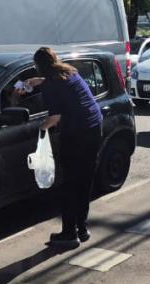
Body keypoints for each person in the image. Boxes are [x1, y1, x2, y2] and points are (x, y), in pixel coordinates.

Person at [21, 47, 103, 248]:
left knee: (70, 184)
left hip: (77, 133)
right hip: (94, 127)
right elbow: (56, 83)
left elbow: (54, 118)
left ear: (39, 66)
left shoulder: (52, 86)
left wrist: (40, 129)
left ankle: (68, 233)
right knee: (84, 181)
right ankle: (82, 229)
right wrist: (37, 82)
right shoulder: (70, 72)